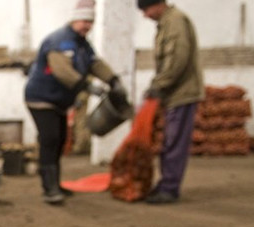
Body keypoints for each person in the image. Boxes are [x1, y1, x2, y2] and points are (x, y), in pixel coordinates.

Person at [24, 0, 127, 205]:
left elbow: (94, 63)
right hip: (42, 99)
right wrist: (87, 86)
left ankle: (55, 184)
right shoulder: (59, 41)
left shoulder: (83, 43)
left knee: (61, 140)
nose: (87, 25)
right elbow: (62, 71)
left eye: (90, 21)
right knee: (50, 139)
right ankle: (49, 189)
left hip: (59, 101)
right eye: (84, 20)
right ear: (74, 18)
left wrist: (113, 80)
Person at [138, 0, 204, 204]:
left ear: (158, 4)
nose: (145, 15)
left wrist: (159, 85)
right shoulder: (167, 22)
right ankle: (166, 183)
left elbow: (176, 60)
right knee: (169, 141)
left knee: (175, 142)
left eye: (146, 10)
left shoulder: (175, 22)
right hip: (173, 94)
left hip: (181, 93)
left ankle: (169, 188)